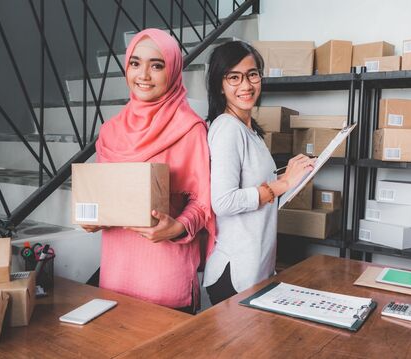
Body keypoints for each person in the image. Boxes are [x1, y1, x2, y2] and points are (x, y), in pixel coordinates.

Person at [82, 28, 215, 314]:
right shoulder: (110, 130)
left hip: (165, 279)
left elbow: (203, 202)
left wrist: (176, 227)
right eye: (135, 63)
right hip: (117, 274)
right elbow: (105, 195)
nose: (143, 75)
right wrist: (93, 218)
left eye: (157, 65)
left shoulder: (189, 128)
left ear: (174, 70)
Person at [203, 41, 316, 305]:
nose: (246, 85)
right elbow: (223, 202)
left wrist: (292, 176)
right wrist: (282, 183)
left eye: (252, 74)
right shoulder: (227, 129)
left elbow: (259, 188)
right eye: (234, 77)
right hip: (235, 275)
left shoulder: (250, 130)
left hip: (255, 267)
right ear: (220, 84)